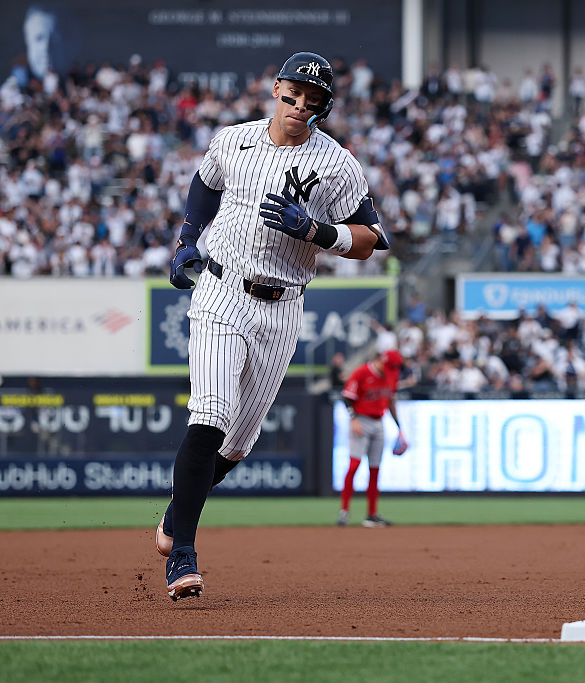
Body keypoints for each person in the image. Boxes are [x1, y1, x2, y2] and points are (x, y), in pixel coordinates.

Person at [155, 51, 391, 602]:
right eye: (292, 94)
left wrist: (317, 230)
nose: (298, 106)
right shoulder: (234, 140)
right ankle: (183, 553)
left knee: (237, 445)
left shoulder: (336, 164)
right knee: (210, 416)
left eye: (312, 101)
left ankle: (176, 511)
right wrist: (188, 238)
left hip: (283, 304)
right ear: (276, 90)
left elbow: (372, 240)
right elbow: (204, 182)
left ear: (323, 109)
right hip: (221, 287)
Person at [337, 349, 407, 527]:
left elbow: (391, 402)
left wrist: (399, 428)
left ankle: (372, 515)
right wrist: (353, 419)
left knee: (375, 469)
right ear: (382, 361)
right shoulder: (362, 372)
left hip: (379, 422)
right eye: (390, 367)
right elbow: (346, 397)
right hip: (360, 420)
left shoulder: (392, 375)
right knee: (354, 466)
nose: (392, 371)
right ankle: (344, 511)